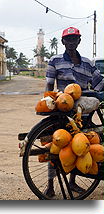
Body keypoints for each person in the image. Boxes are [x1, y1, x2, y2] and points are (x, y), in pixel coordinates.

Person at [45, 26, 104, 197]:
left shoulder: (88, 63)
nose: (71, 42)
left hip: (84, 112)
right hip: (63, 111)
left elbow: (99, 84)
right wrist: (49, 102)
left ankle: (72, 183)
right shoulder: (55, 60)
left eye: (74, 39)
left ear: (79, 40)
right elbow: (49, 85)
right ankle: (50, 186)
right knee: (56, 148)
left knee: (80, 148)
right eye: (68, 39)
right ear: (63, 41)